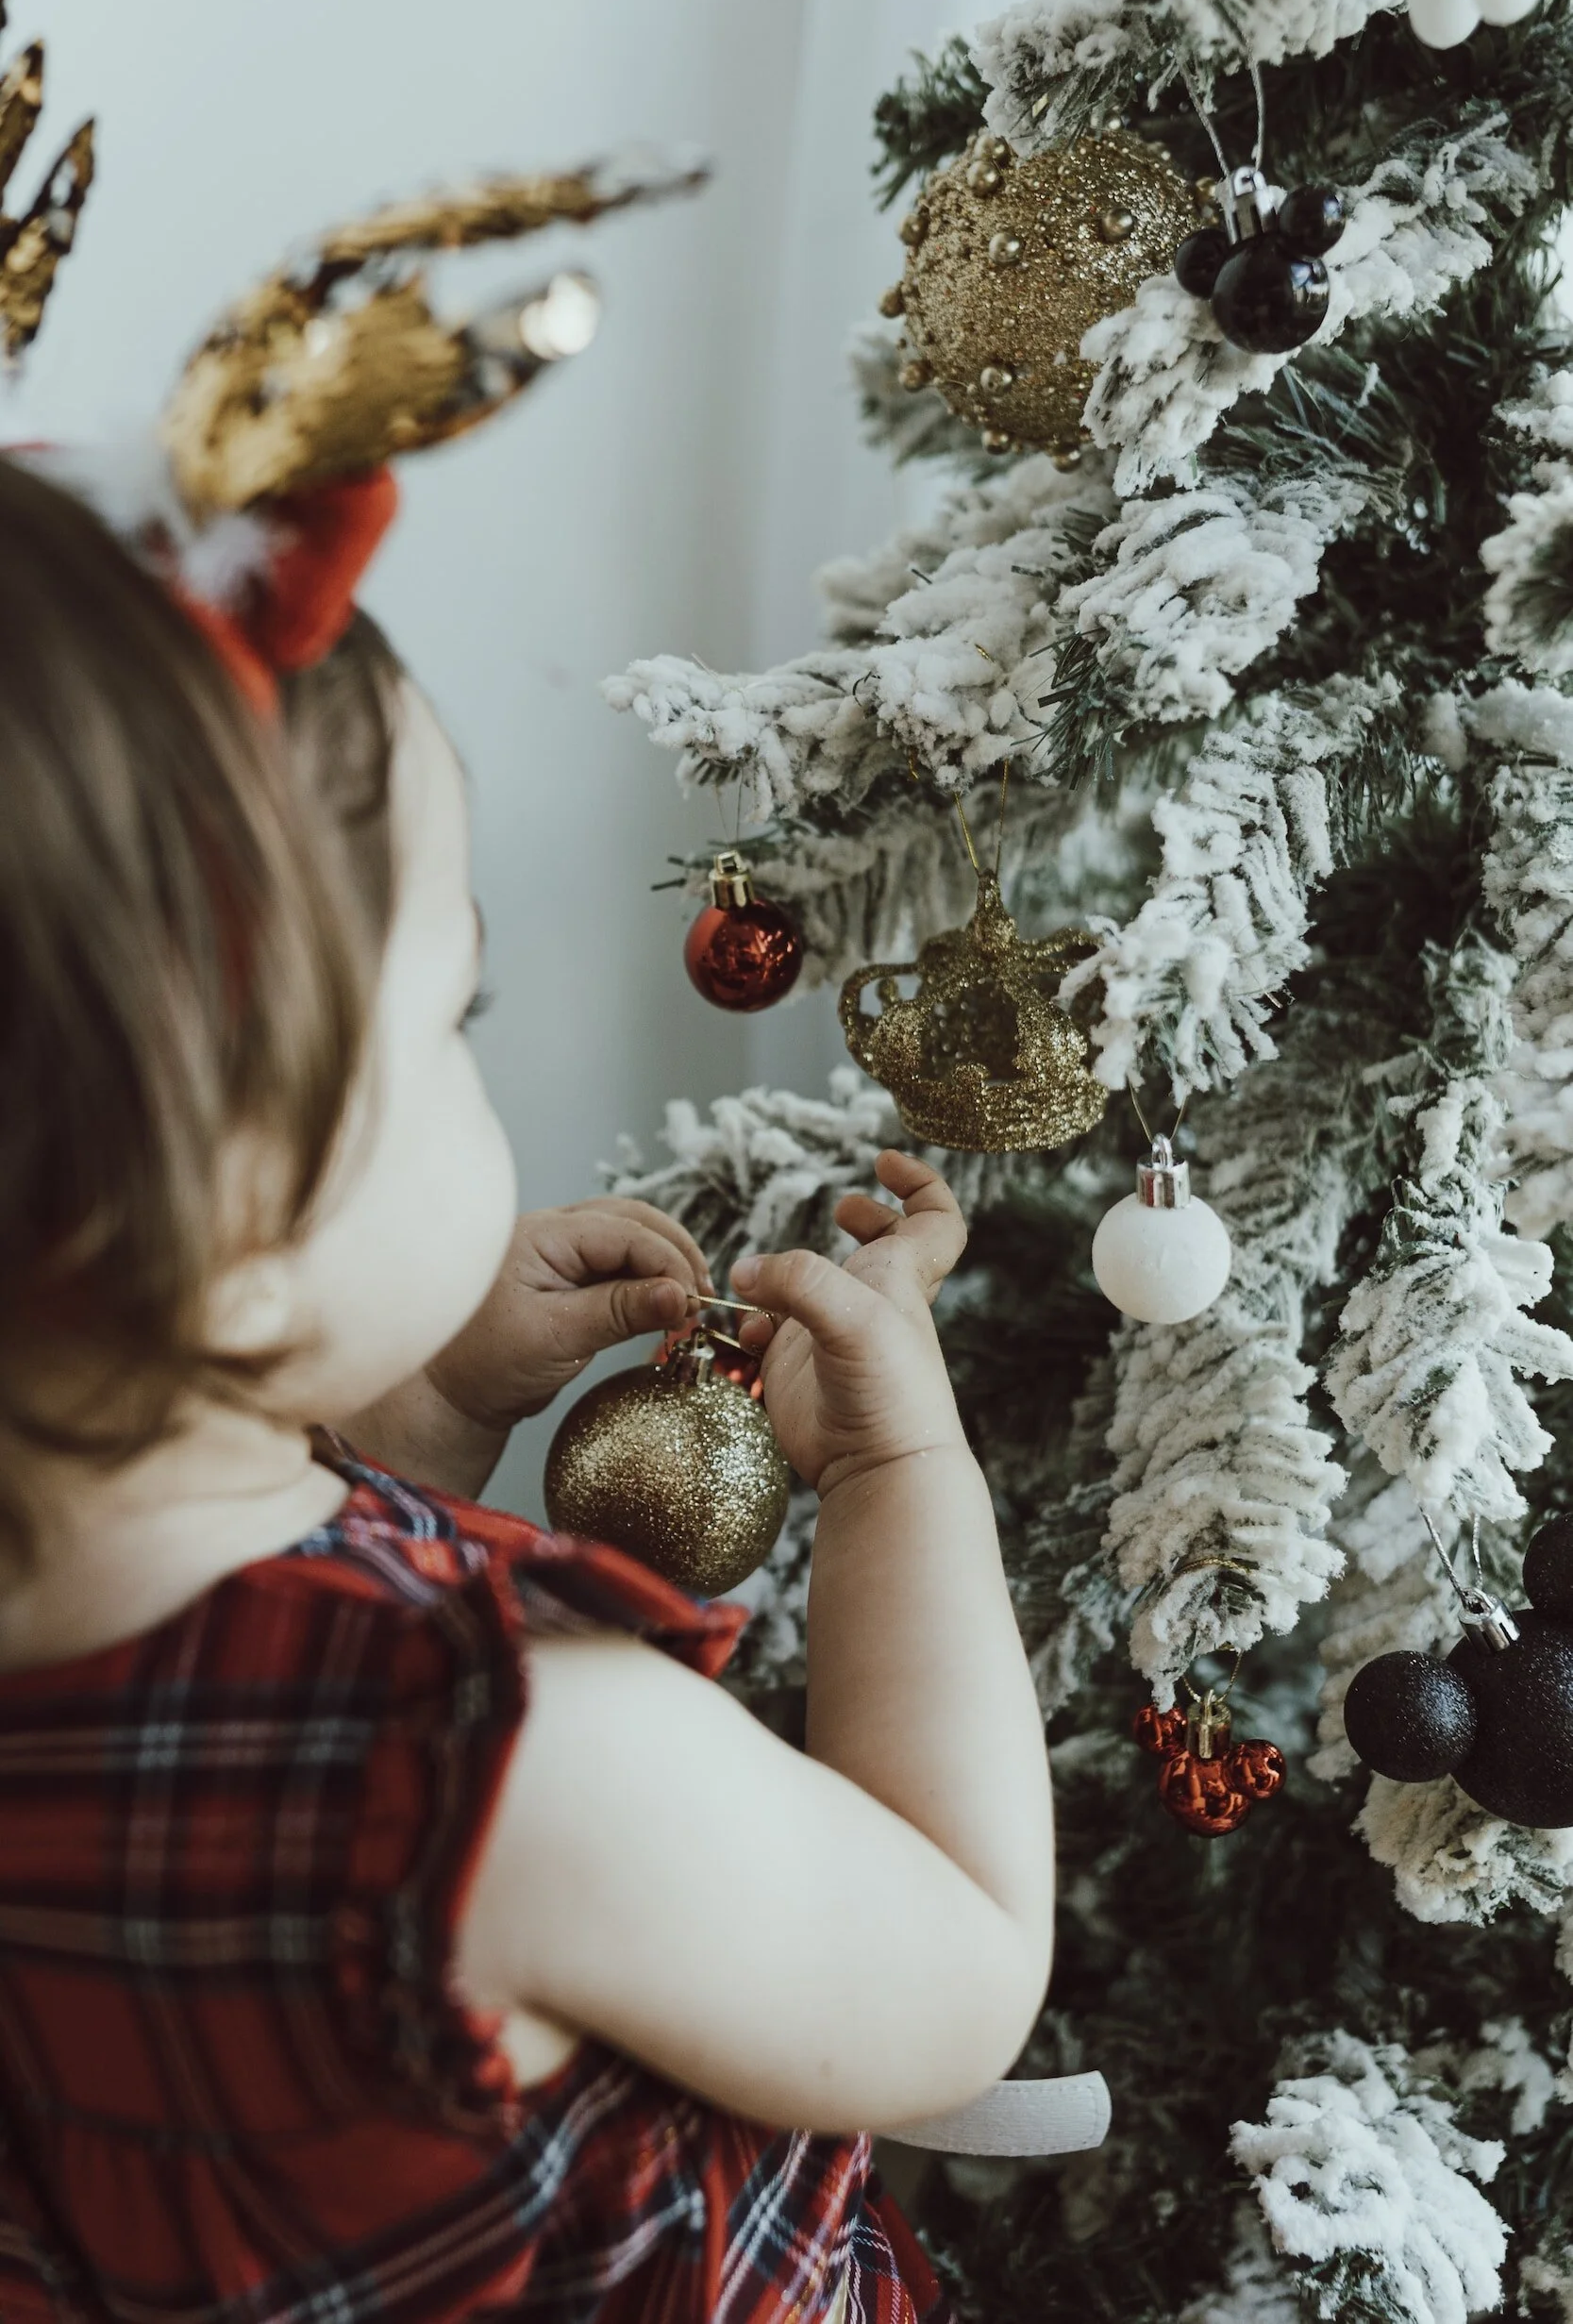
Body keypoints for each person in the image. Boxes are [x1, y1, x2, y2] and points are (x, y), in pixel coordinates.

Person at [0, 160, 1056, 2324]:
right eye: (449, 1019)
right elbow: (949, 1961)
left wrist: (413, 1401)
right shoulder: (505, 1759)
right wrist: (895, 1482)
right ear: (231, 1245)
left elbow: (215, 1662)